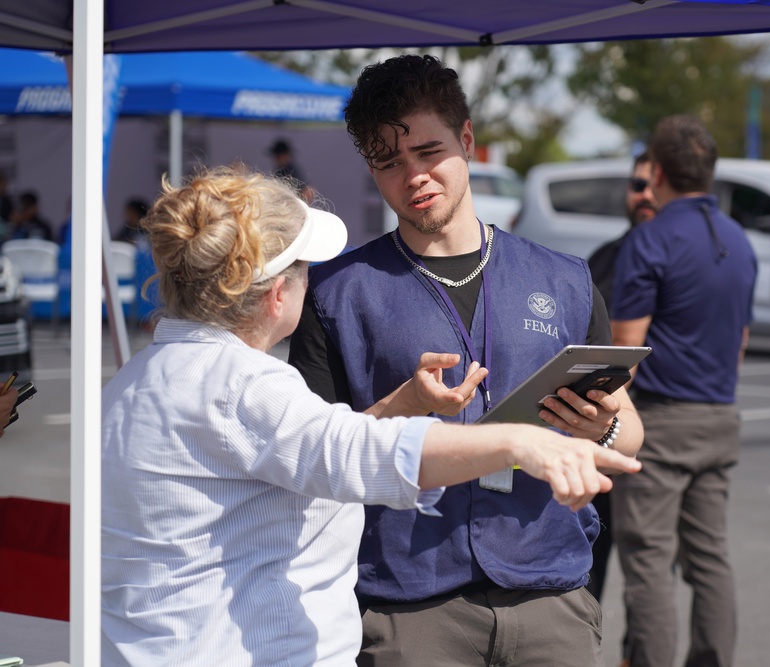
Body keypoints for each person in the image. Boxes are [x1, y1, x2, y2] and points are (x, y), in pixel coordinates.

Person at [101, 165, 641, 667]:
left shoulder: (135, 381)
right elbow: (361, 453)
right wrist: (519, 444)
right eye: (303, 268)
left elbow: (320, 448)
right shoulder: (244, 387)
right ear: (274, 297)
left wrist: (404, 403)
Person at [287, 54, 644, 666]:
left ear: (468, 140)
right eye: (390, 163)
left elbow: (630, 433)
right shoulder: (334, 294)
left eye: (429, 153)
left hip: (548, 592)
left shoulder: (565, 281)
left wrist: (601, 427)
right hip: (409, 602)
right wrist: (400, 406)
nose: (415, 176)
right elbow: (312, 462)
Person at [610, 115, 757, 667]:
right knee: (711, 559)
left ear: (659, 171)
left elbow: (626, 351)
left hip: (662, 422)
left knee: (648, 563)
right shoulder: (740, 242)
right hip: (720, 415)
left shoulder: (651, 239)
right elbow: (739, 341)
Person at [585, 150, 658, 603]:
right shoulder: (606, 258)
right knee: (593, 549)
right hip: (595, 427)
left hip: (654, 430)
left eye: (652, 185)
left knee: (649, 565)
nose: (644, 195)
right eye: (636, 186)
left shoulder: (676, 256)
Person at [270, 138, 315, 203]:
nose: (277, 159)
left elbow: (308, 191)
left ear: (286, 156)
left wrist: (300, 205)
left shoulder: (293, 171)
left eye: (279, 156)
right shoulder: (278, 172)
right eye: (276, 157)